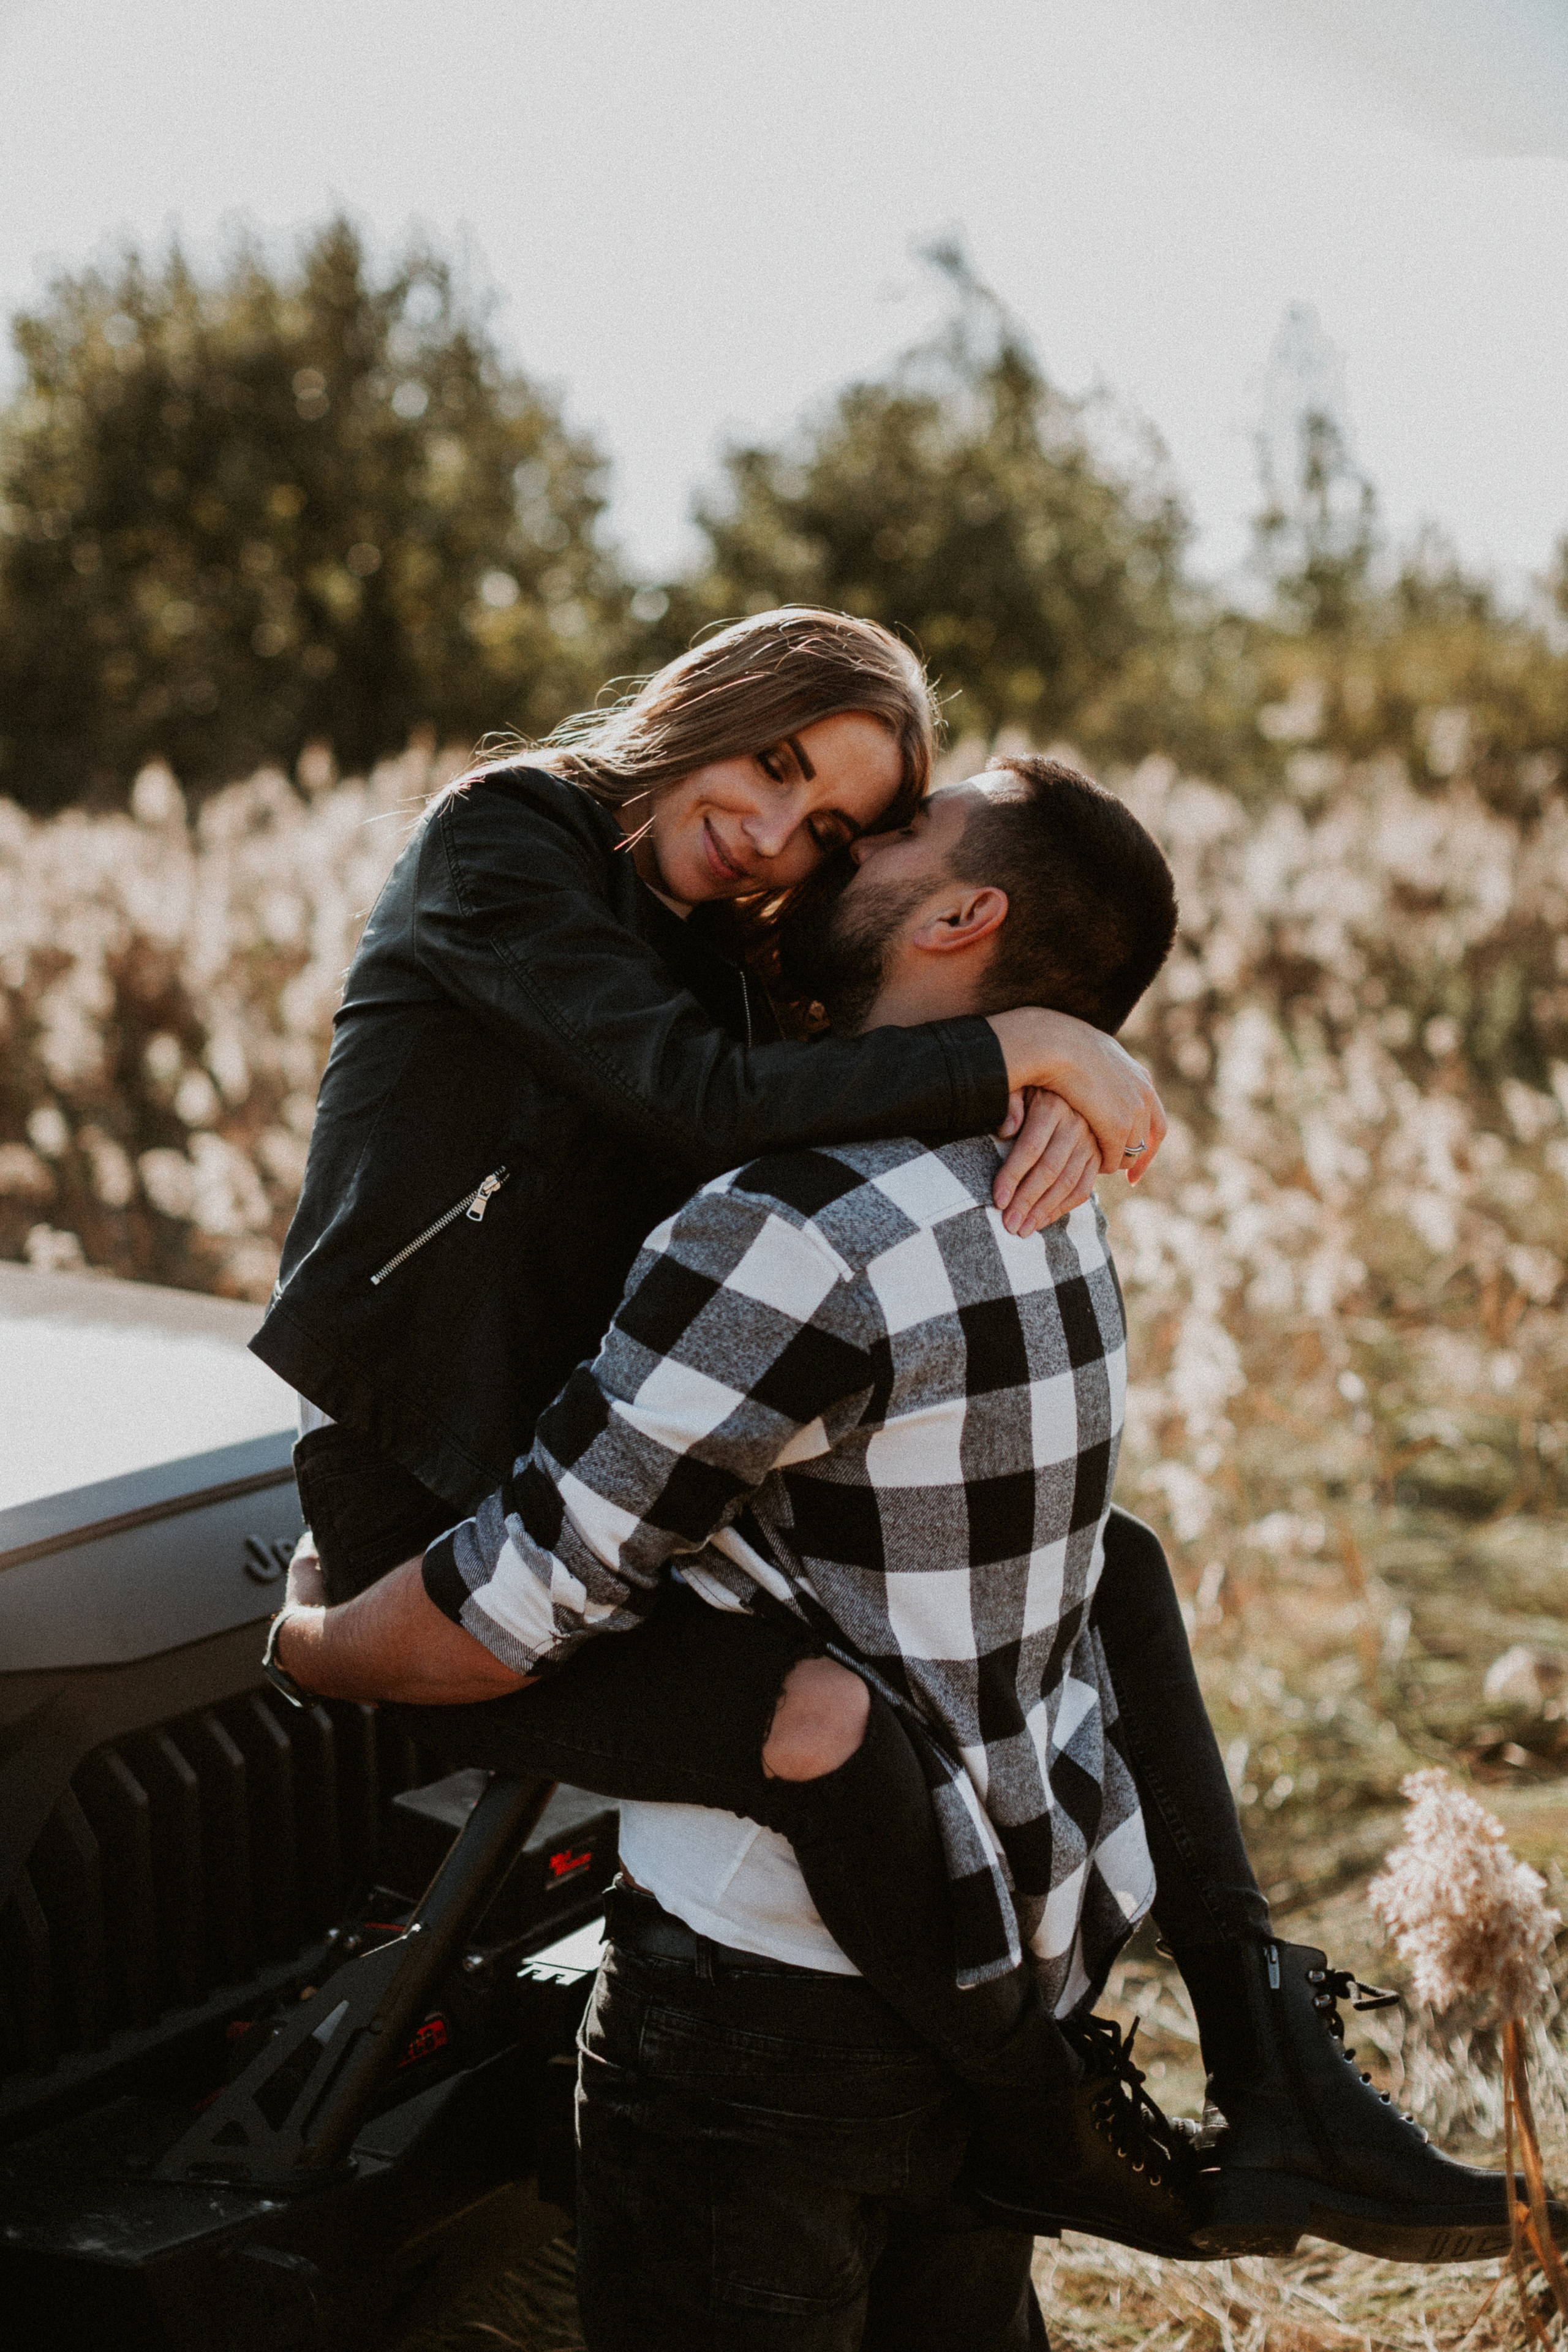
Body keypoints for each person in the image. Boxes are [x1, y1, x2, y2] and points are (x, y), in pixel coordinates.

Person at [269, 761, 1536, 2346]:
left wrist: (309, 1644)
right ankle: (1275, 2069)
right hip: (997, 1952)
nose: (836, 849)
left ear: (959, 914)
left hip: (764, 2007)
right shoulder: (1039, 1181)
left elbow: (505, 1617)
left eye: (890, 833)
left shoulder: (796, 1232)